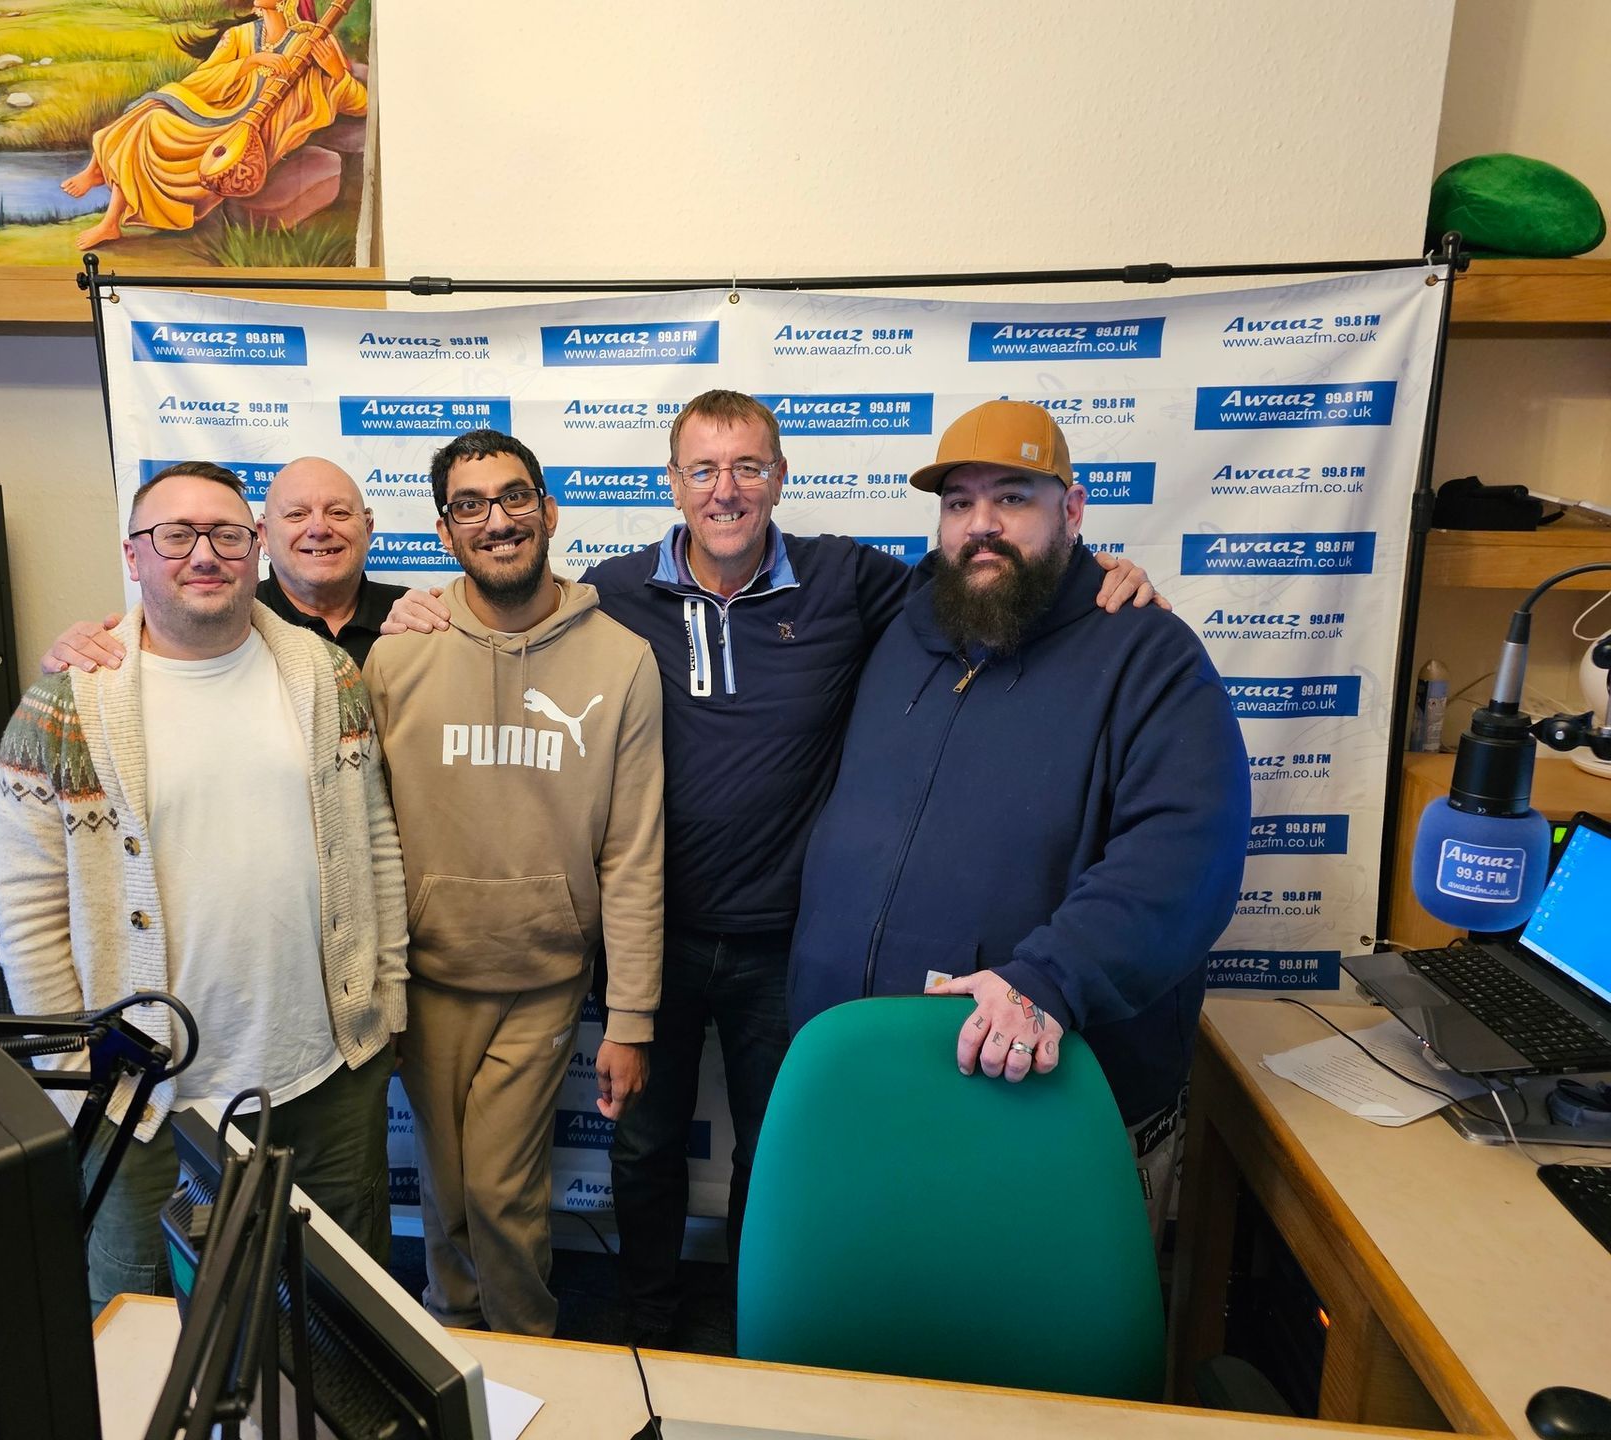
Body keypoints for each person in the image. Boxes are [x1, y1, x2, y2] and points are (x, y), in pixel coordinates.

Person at [384, 389, 1165, 1343]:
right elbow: (511, 622)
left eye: (748, 467)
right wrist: (417, 603)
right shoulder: (614, 593)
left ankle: (760, 1328)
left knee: (775, 1149)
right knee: (644, 1147)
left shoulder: (849, 582)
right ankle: (644, 1324)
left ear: (780, 478)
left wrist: (1098, 576)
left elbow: (991, 579)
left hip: (785, 943)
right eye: (703, 470)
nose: (726, 491)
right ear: (672, 484)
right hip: (654, 934)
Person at [786, 400, 1250, 1237]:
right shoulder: (902, 625)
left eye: (1013, 498)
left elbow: (1188, 857)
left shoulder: (1147, 654)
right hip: (868, 1092)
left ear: (1072, 509)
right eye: (959, 503)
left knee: (1032, 1358)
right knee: (867, 1341)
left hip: (1037, 1108)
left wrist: (1049, 980)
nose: (982, 526)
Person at [0, 459, 408, 1313]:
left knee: (340, 1315)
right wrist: (76, 1070)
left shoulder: (327, 677)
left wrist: (386, 996)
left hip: (327, 1075)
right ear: (134, 555)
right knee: (149, 1323)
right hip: (147, 1097)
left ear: (256, 549)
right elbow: (27, 914)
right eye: (174, 535)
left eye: (225, 534)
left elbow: (375, 844)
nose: (203, 555)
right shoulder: (65, 707)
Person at [364, 429, 664, 1337]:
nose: (498, 520)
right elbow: (359, 828)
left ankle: (535, 1358)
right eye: (472, 505)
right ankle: (453, 1351)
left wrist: (633, 1018)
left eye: (515, 498)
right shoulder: (398, 655)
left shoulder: (621, 661)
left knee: (498, 1192)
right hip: (426, 979)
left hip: (543, 975)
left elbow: (634, 851)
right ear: (447, 532)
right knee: (449, 1196)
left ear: (548, 510)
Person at [43, 455, 407, 673]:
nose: (318, 529)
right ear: (262, 534)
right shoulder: (222, 620)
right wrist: (74, 661)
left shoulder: (414, 617)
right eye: (296, 514)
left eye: (339, 512)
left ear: (368, 526)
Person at [62, 0, 366, 249]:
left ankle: (101, 185)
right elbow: (201, 81)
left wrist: (337, 73)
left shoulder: (312, 41)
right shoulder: (239, 37)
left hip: (253, 137)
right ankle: (109, 216)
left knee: (153, 120)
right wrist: (250, 62)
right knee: (153, 112)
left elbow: (360, 104)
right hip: (214, 115)